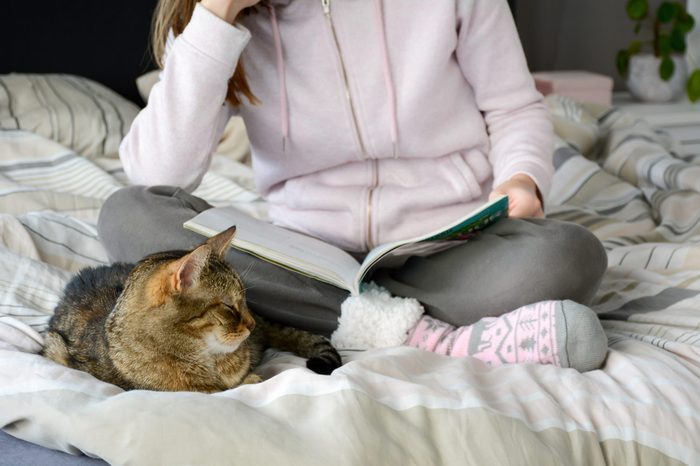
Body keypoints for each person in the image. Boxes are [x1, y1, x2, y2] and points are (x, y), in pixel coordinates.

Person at [98, 0, 609, 370]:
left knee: (570, 255)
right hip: (305, 259)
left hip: (450, 246)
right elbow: (156, 175)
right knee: (129, 215)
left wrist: (521, 182)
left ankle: (340, 318)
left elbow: (514, 106)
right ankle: (424, 334)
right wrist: (217, 15)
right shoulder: (220, 19)